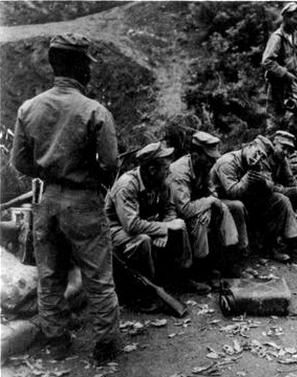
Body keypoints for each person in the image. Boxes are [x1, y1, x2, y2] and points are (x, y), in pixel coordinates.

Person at [10, 33, 121, 363]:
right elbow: (111, 163)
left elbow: (19, 161)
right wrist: (95, 182)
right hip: (84, 200)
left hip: (47, 202)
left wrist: (46, 174)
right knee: (99, 277)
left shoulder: (29, 108)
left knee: (50, 276)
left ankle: (57, 341)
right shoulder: (95, 111)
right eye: (86, 64)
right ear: (78, 66)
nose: (89, 71)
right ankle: (104, 346)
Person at [105, 142, 194, 298]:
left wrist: (165, 229)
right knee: (143, 240)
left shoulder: (162, 181)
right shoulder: (127, 185)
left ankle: (182, 278)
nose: (169, 171)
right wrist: (164, 228)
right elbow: (131, 225)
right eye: (166, 168)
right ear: (152, 170)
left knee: (179, 226)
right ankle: (145, 293)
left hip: (144, 224)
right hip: (114, 231)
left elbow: (169, 209)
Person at [211, 135, 297, 265]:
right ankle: (239, 254)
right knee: (238, 205)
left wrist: (263, 181)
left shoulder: (257, 163)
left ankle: (287, 246)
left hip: (246, 199)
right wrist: (247, 179)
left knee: (280, 200)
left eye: (262, 156)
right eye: (257, 153)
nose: (258, 158)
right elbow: (232, 192)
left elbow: (271, 186)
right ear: (249, 146)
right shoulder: (228, 162)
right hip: (222, 200)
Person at [167, 131, 247, 282]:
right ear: (195, 155)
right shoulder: (180, 172)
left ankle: (231, 259)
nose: (212, 162)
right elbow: (183, 210)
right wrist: (208, 203)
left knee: (233, 207)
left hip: (198, 207)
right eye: (209, 157)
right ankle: (201, 270)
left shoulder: (204, 166)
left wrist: (208, 205)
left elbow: (213, 192)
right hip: (175, 215)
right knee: (200, 221)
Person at [262, 2, 297, 131]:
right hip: (278, 82)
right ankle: (273, 144)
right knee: (274, 118)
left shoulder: (293, 36)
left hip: (290, 81)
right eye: (295, 18)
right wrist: (285, 74)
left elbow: (294, 63)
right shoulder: (277, 38)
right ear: (286, 18)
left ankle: (291, 135)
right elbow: (267, 61)